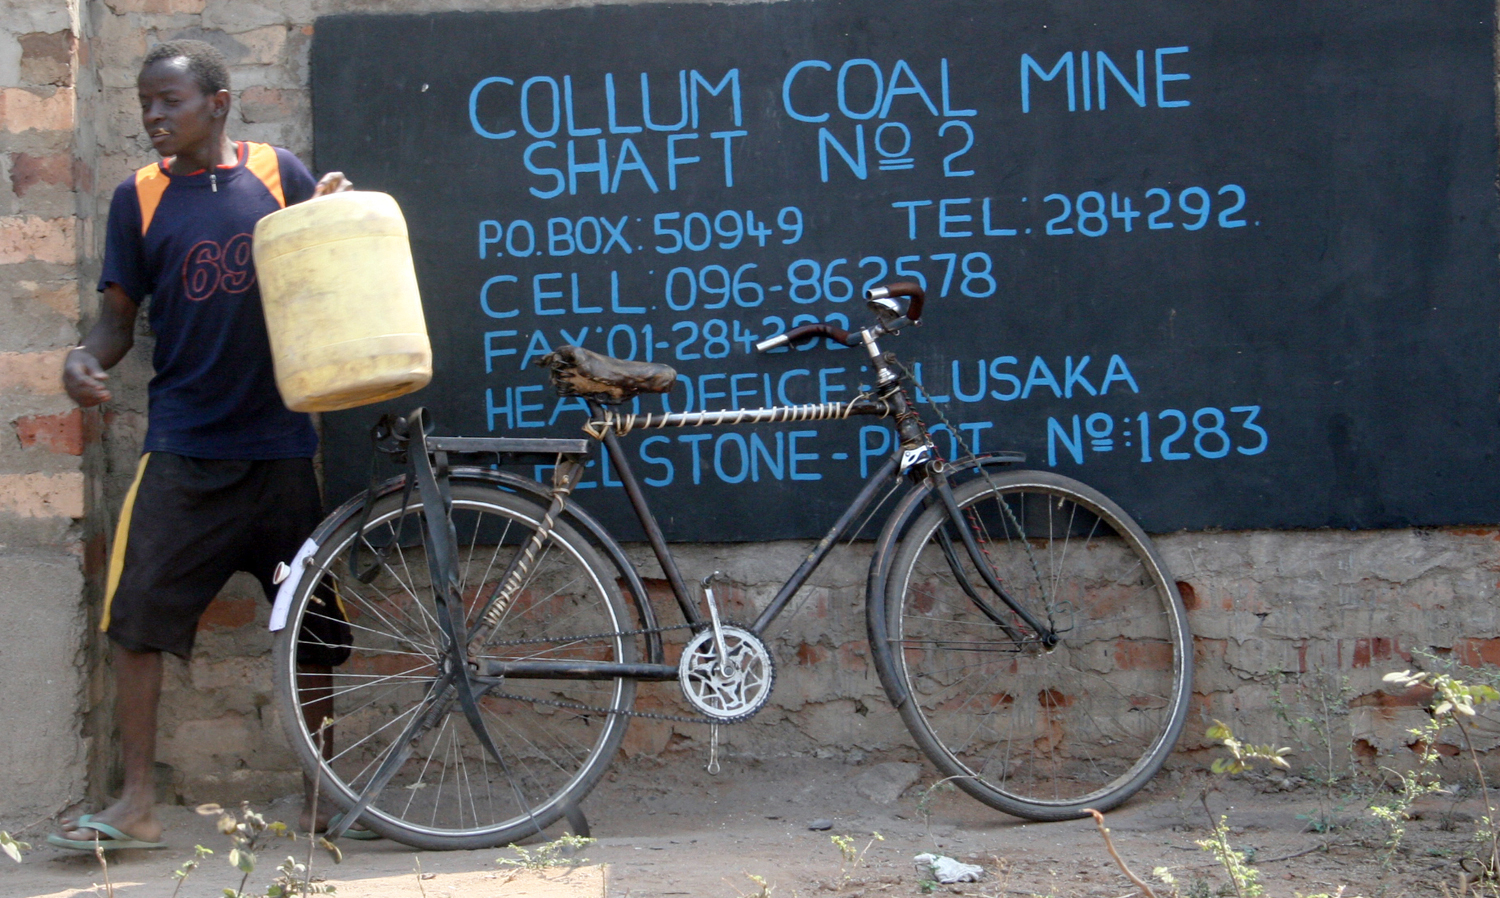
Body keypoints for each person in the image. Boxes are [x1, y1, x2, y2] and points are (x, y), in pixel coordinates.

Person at [49, 39, 356, 850]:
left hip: (282, 448)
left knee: (311, 624)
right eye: (145, 104)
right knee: (135, 617)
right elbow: (117, 322)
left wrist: (334, 207)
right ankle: (137, 803)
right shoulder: (139, 197)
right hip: (184, 448)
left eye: (170, 102)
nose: (153, 116)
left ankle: (322, 795)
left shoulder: (277, 172)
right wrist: (83, 359)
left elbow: (327, 256)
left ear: (217, 104)